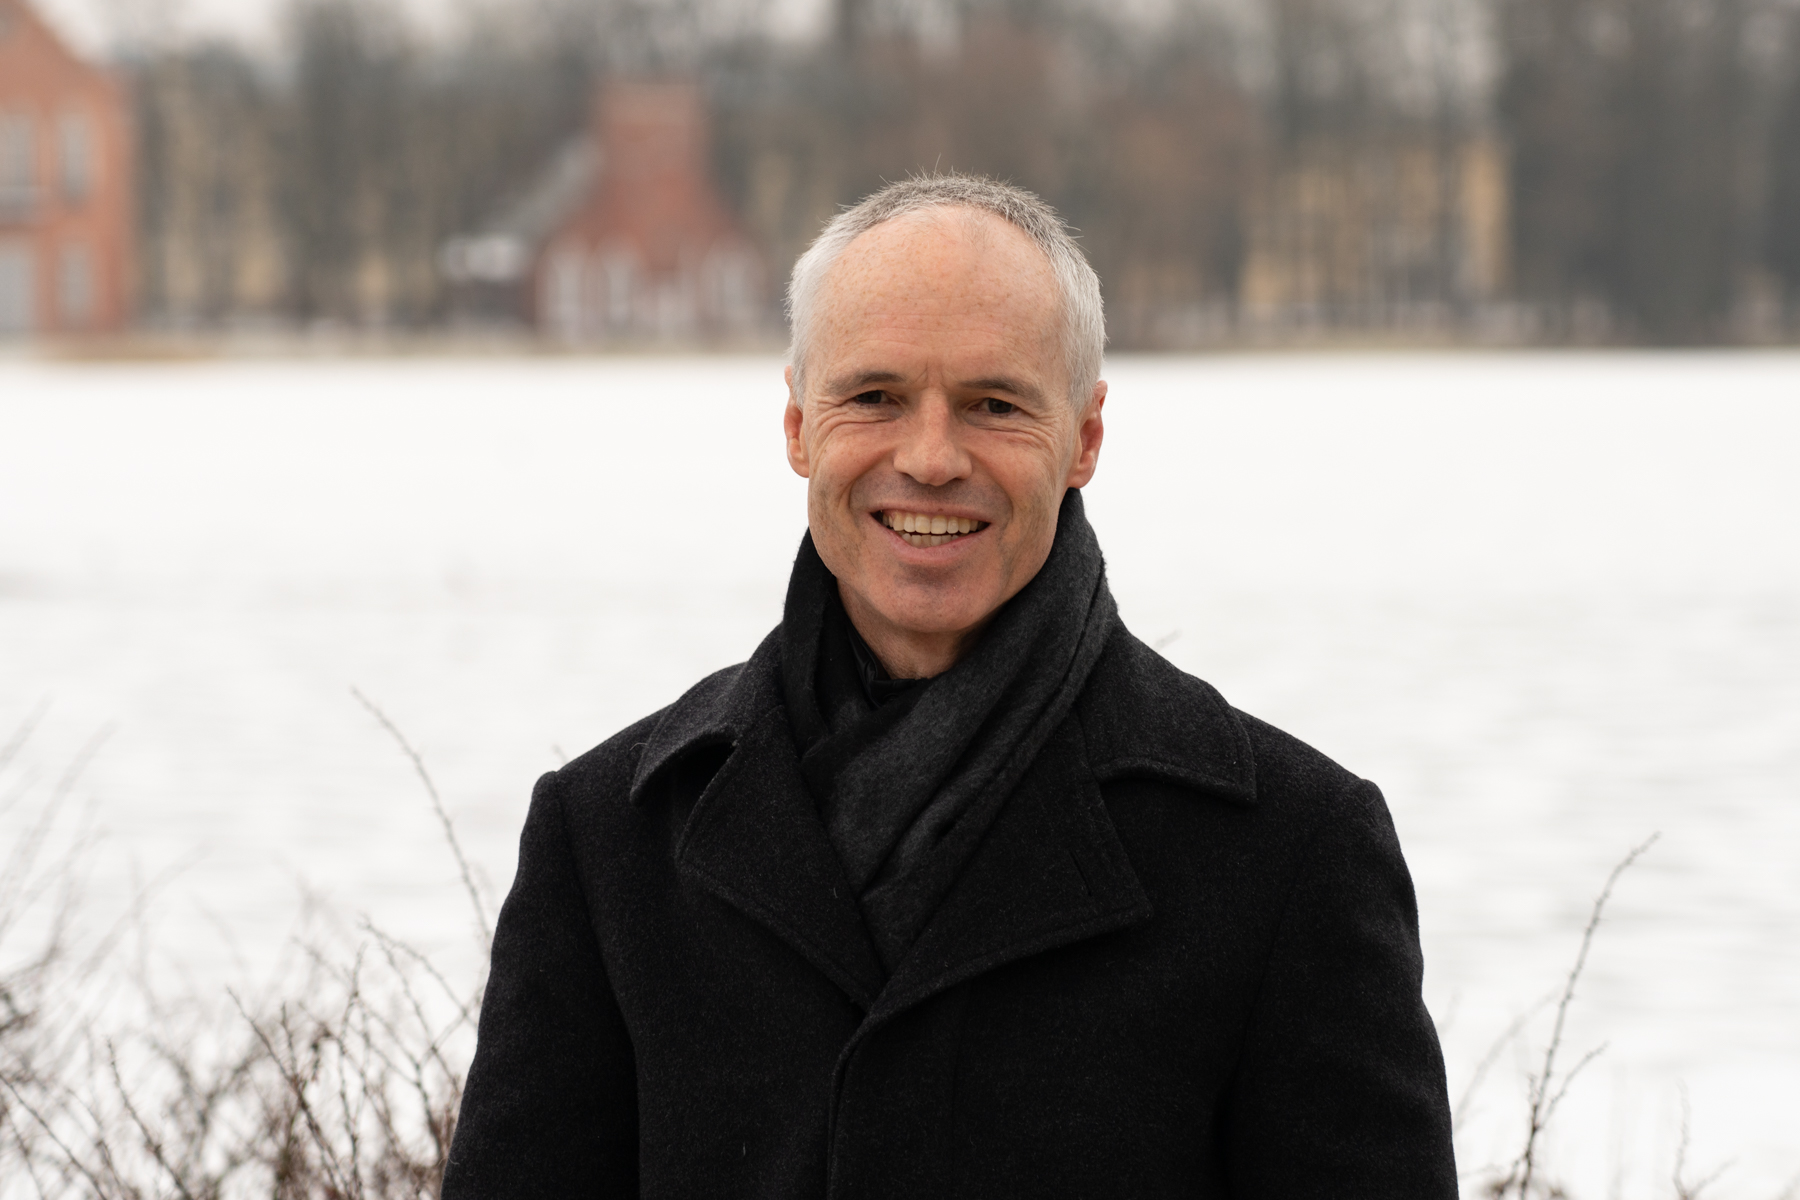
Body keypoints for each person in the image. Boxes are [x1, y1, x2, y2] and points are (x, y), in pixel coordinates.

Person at [442, 174, 1457, 1198]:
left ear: (1086, 437)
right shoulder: (607, 840)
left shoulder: (1292, 852)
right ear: (797, 425)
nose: (930, 458)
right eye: (874, 398)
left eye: (993, 405)